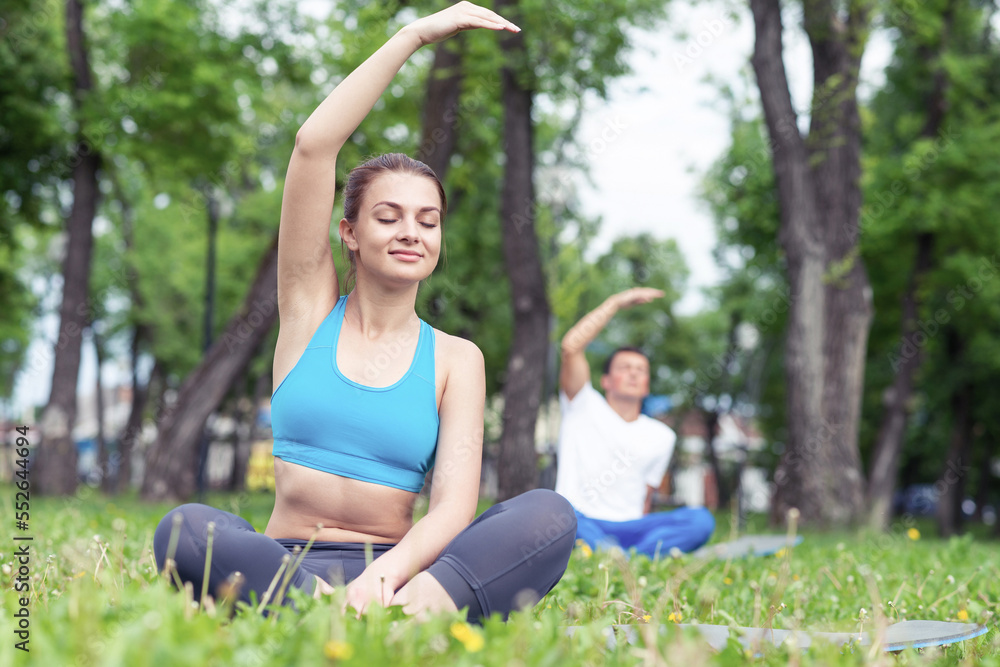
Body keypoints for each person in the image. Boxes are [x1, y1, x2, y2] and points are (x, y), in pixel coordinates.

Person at [153, 2, 576, 622]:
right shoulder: (307, 311)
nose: (411, 232)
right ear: (349, 232)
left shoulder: (457, 359)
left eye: (427, 221)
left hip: (403, 576)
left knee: (549, 517)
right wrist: (413, 35)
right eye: (389, 216)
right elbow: (312, 148)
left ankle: (393, 619)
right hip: (286, 568)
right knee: (185, 529)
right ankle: (328, 614)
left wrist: (386, 578)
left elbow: (454, 509)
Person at [555, 287, 714, 558]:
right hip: (582, 521)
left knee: (701, 520)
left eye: (640, 370)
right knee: (557, 515)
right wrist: (615, 302)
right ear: (606, 381)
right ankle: (627, 557)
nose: (633, 374)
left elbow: (647, 495)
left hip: (631, 527)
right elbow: (571, 346)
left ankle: (620, 557)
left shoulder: (662, 435)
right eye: (624, 368)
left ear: (647, 385)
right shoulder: (582, 405)